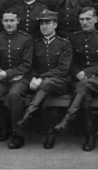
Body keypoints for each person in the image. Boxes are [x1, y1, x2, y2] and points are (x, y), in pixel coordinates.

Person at [53, 7, 98, 152]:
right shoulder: (74, 38)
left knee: (83, 85)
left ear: (96, 20)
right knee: (84, 92)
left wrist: (86, 72)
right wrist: (77, 72)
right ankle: (90, 137)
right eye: (82, 19)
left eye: (88, 19)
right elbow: (70, 62)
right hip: (81, 82)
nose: (85, 22)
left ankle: (68, 119)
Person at [16, 9, 72, 149]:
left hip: (61, 82)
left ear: (55, 25)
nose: (44, 26)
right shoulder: (34, 43)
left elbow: (62, 69)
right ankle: (49, 134)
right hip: (39, 83)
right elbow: (30, 65)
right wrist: (34, 77)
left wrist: (40, 78)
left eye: (48, 23)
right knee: (46, 94)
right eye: (42, 23)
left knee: (46, 84)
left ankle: (28, 114)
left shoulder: (64, 43)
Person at [0, 11, 33, 149]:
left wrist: (8, 74)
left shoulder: (26, 38)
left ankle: (17, 135)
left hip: (20, 77)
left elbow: (26, 64)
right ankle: (3, 128)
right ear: (2, 21)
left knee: (14, 96)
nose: (9, 23)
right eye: (6, 20)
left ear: (18, 21)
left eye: (12, 20)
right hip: (0, 77)